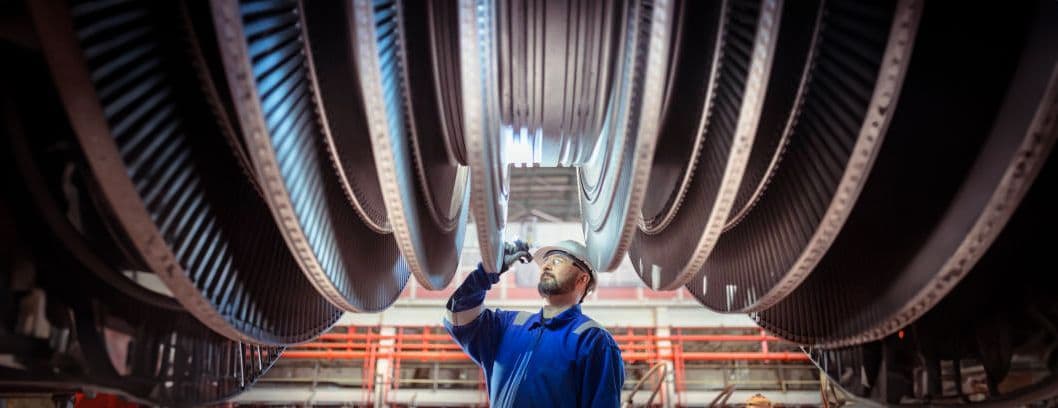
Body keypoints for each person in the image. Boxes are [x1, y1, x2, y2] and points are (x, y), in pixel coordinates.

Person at [443, 239, 625, 407]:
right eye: (546, 262)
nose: (546, 266)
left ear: (582, 279)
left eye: (557, 261)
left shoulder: (593, 341)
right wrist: (487, 272)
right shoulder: (509, 325)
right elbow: (458, 316)